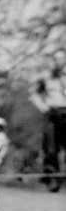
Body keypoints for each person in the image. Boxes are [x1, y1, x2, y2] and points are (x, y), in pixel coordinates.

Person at [30, 49, 66, 192]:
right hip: (53, 113)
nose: (59, 62)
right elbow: (33, 93)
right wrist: (43, 107)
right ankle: (53, 179)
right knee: (51, 149)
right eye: (56, 59)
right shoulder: (46, 77)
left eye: (62, 59)